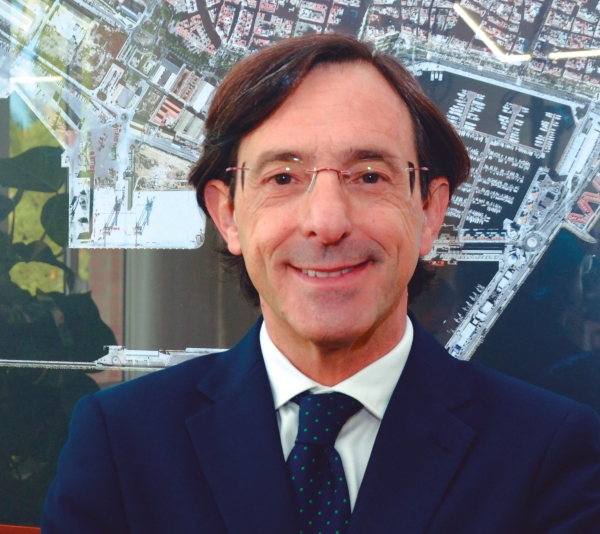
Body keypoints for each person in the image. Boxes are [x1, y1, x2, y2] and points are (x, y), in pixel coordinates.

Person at [42, 35, 600, 534]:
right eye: (283, 177)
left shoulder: (548, 454)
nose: (327, 222)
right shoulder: (120, 444)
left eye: (370, 176)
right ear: (228, 215)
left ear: (429, 212)